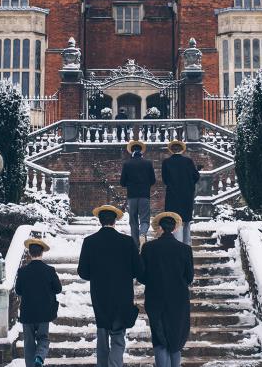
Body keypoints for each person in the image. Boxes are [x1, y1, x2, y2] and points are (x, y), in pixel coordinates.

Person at [77, 205, 143, 367]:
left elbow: (83, 273)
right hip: (122, 295)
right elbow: (139, 270)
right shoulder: (127, 242)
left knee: (102, 334)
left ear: (100, 221)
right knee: (118, 337)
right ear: (115, 221)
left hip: (100, 295)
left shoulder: (89, 242)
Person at [138, 212, 194, 367]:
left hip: (155, 299)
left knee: (159, 337)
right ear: (175, 229)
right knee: (176, 338)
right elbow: (189, 277)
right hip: (178, 300)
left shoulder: (148, 248)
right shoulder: (185, 249)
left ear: (160, 228)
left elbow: (142, 277)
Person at [15, 238, 62, 367]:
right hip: (44, 313)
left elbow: (18, 291)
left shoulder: (22, 271)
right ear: (42, 253)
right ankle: (40, 357)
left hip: (27, 313)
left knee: (29, 343)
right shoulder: (49, 270)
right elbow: (58, 289)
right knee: (43, 338)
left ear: (30, 253)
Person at [161, 140, 200, 245]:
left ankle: (177, 243)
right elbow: (196, 177)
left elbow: (165, 180)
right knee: (186, 220)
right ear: (182, 150)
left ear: (171, 150)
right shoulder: (188, 161)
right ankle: (187, 243)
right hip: (187, 194)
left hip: (172, 194)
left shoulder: (166, 162)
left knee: (174, 218)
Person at [120, 140, 156, 248]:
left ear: (131, 151)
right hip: (144, 196)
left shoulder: (127, 164)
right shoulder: (148, 163)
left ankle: (136, 244)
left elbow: (122, 182)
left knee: (133, 220)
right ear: (141, 151)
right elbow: (153, 180)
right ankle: (142, 234)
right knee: (144, 219)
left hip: (132, 196)